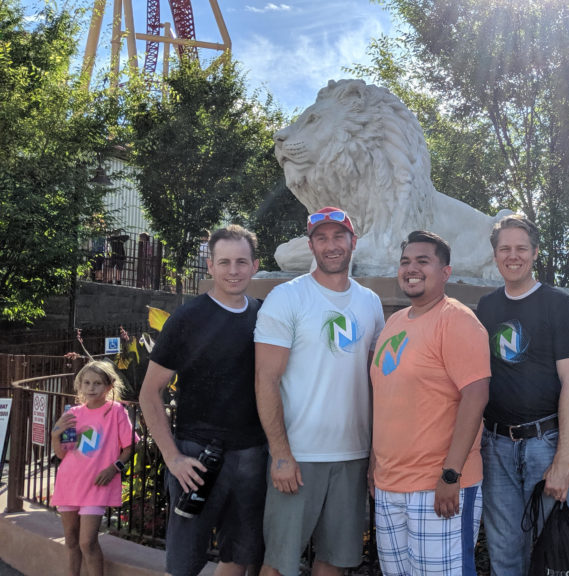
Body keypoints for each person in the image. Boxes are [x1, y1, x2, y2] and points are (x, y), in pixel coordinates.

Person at [254, 207, 385, 576]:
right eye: (322, 238)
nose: (331, 245)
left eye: (338, 236)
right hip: (299, 456)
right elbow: (266, 379)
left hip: (353, 456)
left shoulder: (370, 303)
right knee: (279, 564)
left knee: (335, 562)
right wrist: (280, 453)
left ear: (352, 242)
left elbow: (377, 385)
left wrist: (375, 453)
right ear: (310, 245)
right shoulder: (287, 298)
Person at [139, 224, 267, 576]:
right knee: (183, 564)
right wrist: (172, 457)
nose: (233, 270)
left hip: (251, 455)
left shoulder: (264, 315)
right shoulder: (188, 317)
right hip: (195, 457)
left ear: (255, 265)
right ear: (209, 266)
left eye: (242, 262)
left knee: (238, 556)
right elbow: (150, 391)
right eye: (224, 262)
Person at [369, 230, 490, 576]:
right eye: (406, 261)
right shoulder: (394, 322)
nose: (412, 268)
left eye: (423, 261)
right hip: (390, 485)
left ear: (445, 272)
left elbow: (476, 395)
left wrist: (451, 474)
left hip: (439, 488)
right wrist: (375, 469)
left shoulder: (457, 320)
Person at [474, 214, 569, 574]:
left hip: (546, 444)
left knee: (553, 555)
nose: (513, 255)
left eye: (521, 248)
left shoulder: (559, 305)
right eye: (505, 248)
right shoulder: (487, 308)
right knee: (504, 554)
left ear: (535, 253)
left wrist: (563, 462)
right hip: (496, 446)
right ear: (495, 255)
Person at [51, 360, 138, 576]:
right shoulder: (72, 414)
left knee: (87, 542)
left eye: (97, 383)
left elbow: (130, 447)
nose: (91, 388)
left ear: (109, 387)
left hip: (96, 486)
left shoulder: (116, 411)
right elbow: (62, 454)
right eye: (87, 383)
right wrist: (55, 434)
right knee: (71, 540)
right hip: (69, 483)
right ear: (80, 385)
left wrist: (113, 468)